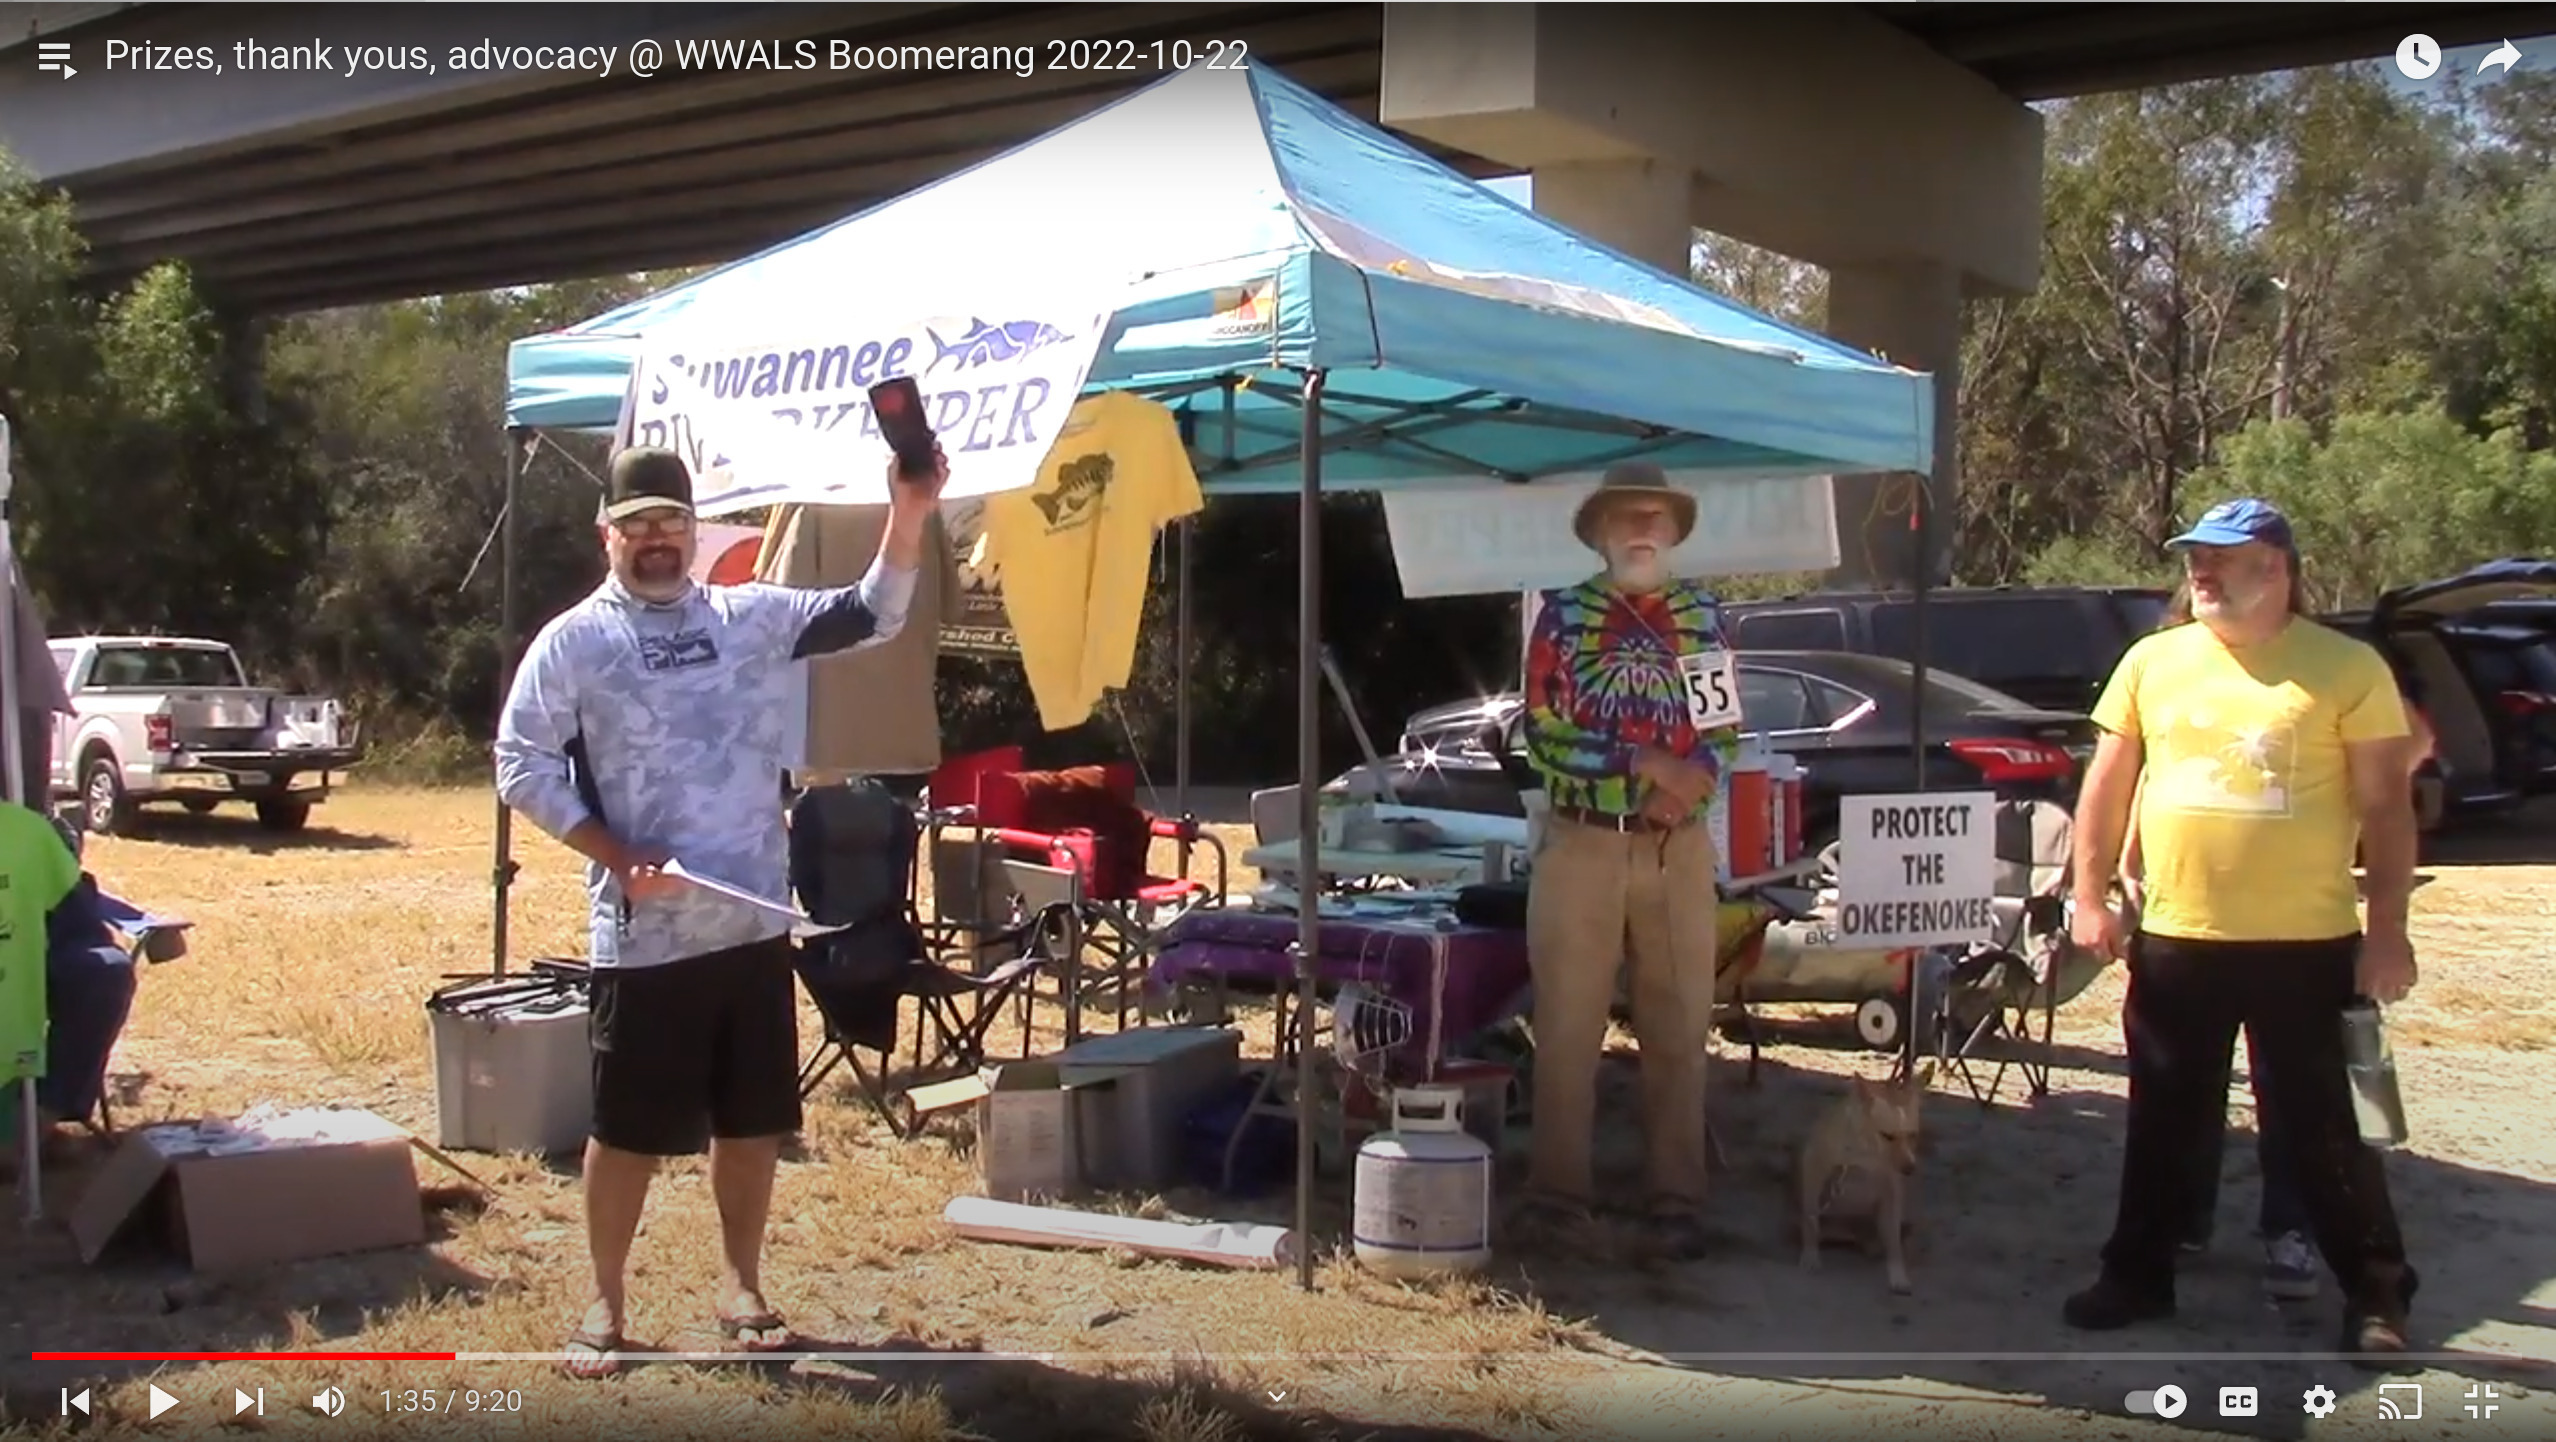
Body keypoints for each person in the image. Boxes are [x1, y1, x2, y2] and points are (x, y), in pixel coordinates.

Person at [495, 444, 945, 1378]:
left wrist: (908, 510)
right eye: (637, 526)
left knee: (751, 1124)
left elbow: (872, 612)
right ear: (606, 534)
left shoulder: (748, 618)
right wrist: (614, 854)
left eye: (671, 524)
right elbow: (520, 762)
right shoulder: (575, 641)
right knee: (627, 1134)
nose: (656, 542)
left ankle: (741, 1286)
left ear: (694, 532)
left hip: (750, 924)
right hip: (648, 939)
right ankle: (603, 1305)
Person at [2064, 497, 2420, 1366]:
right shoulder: (2155, 660)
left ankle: (2377, 1291)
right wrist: (2089, 893)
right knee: (2164, 1117)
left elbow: (2386, 806)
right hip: (2181, 935)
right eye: (2195, 557)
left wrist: (2389, 932)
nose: (2203, 572)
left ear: (2280, 571)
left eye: (2224, 558)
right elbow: (2108, 784)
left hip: (2306, 943)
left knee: (2325, 1127)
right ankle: (2139, 1273)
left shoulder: (2345, 667)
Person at [1516, 461, 1741, 1254]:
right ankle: (1558, 1195)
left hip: (1676, 851)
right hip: (1581, 842)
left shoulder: (1705, 617)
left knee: (1679, 1026)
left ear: (1675, 530)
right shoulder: (1563, 616)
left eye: (1655, 516)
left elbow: (1722, 733)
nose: (1642, 528)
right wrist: (1643, 763)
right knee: (1569, 1027)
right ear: (1601, 532)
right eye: (1626, 517)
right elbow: (1541, 728)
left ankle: (1677, 1197)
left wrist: (1685, 792)